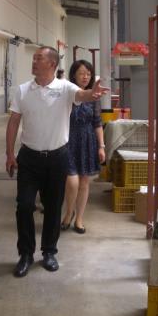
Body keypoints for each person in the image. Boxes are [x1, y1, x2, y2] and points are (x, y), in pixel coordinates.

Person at [5, 46, 108, 277]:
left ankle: (49, 252)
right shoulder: (22, 90)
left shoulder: (65, 88)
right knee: (24, 206)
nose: (33, 62)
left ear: (52, 64)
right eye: (33, 58)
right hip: (29, 157)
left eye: (38, 58)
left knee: (53, 207)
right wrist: (9, 153)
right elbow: (13, 122)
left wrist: (92, 93)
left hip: (57, 157)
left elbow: (82, 95)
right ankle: (25, 254)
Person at [61, 60, 105, 235]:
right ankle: (68, 212)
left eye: (88, 73)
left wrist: (101, 146)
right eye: (81, 73)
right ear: (74, 75)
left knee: (84, 181)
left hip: (87, 141)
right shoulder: (67, 94)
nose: (85, 77)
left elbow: (97, 122)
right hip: (68, 140)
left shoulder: (94, 97)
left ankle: (79, 218)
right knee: (71, 180)